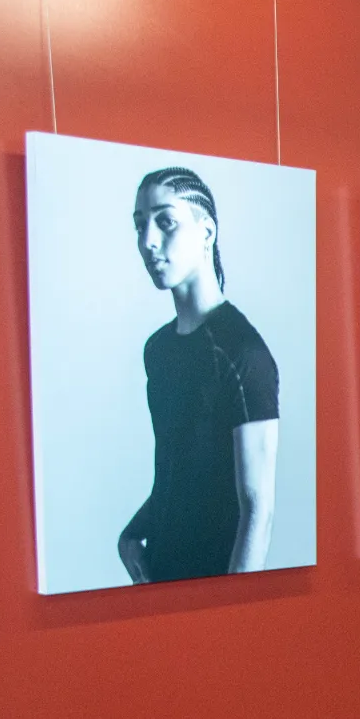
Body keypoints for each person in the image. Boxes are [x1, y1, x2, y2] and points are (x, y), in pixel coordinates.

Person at [118, 167, 280, 584]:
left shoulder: (243, 354)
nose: (148, 240)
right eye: (140, 225)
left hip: (213, 585)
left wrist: (233, 608)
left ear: (207, 232)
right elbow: (180, 474)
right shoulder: (158, 349)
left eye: (165, 221)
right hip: (161, 578)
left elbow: (257, 510)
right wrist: (131, 536)